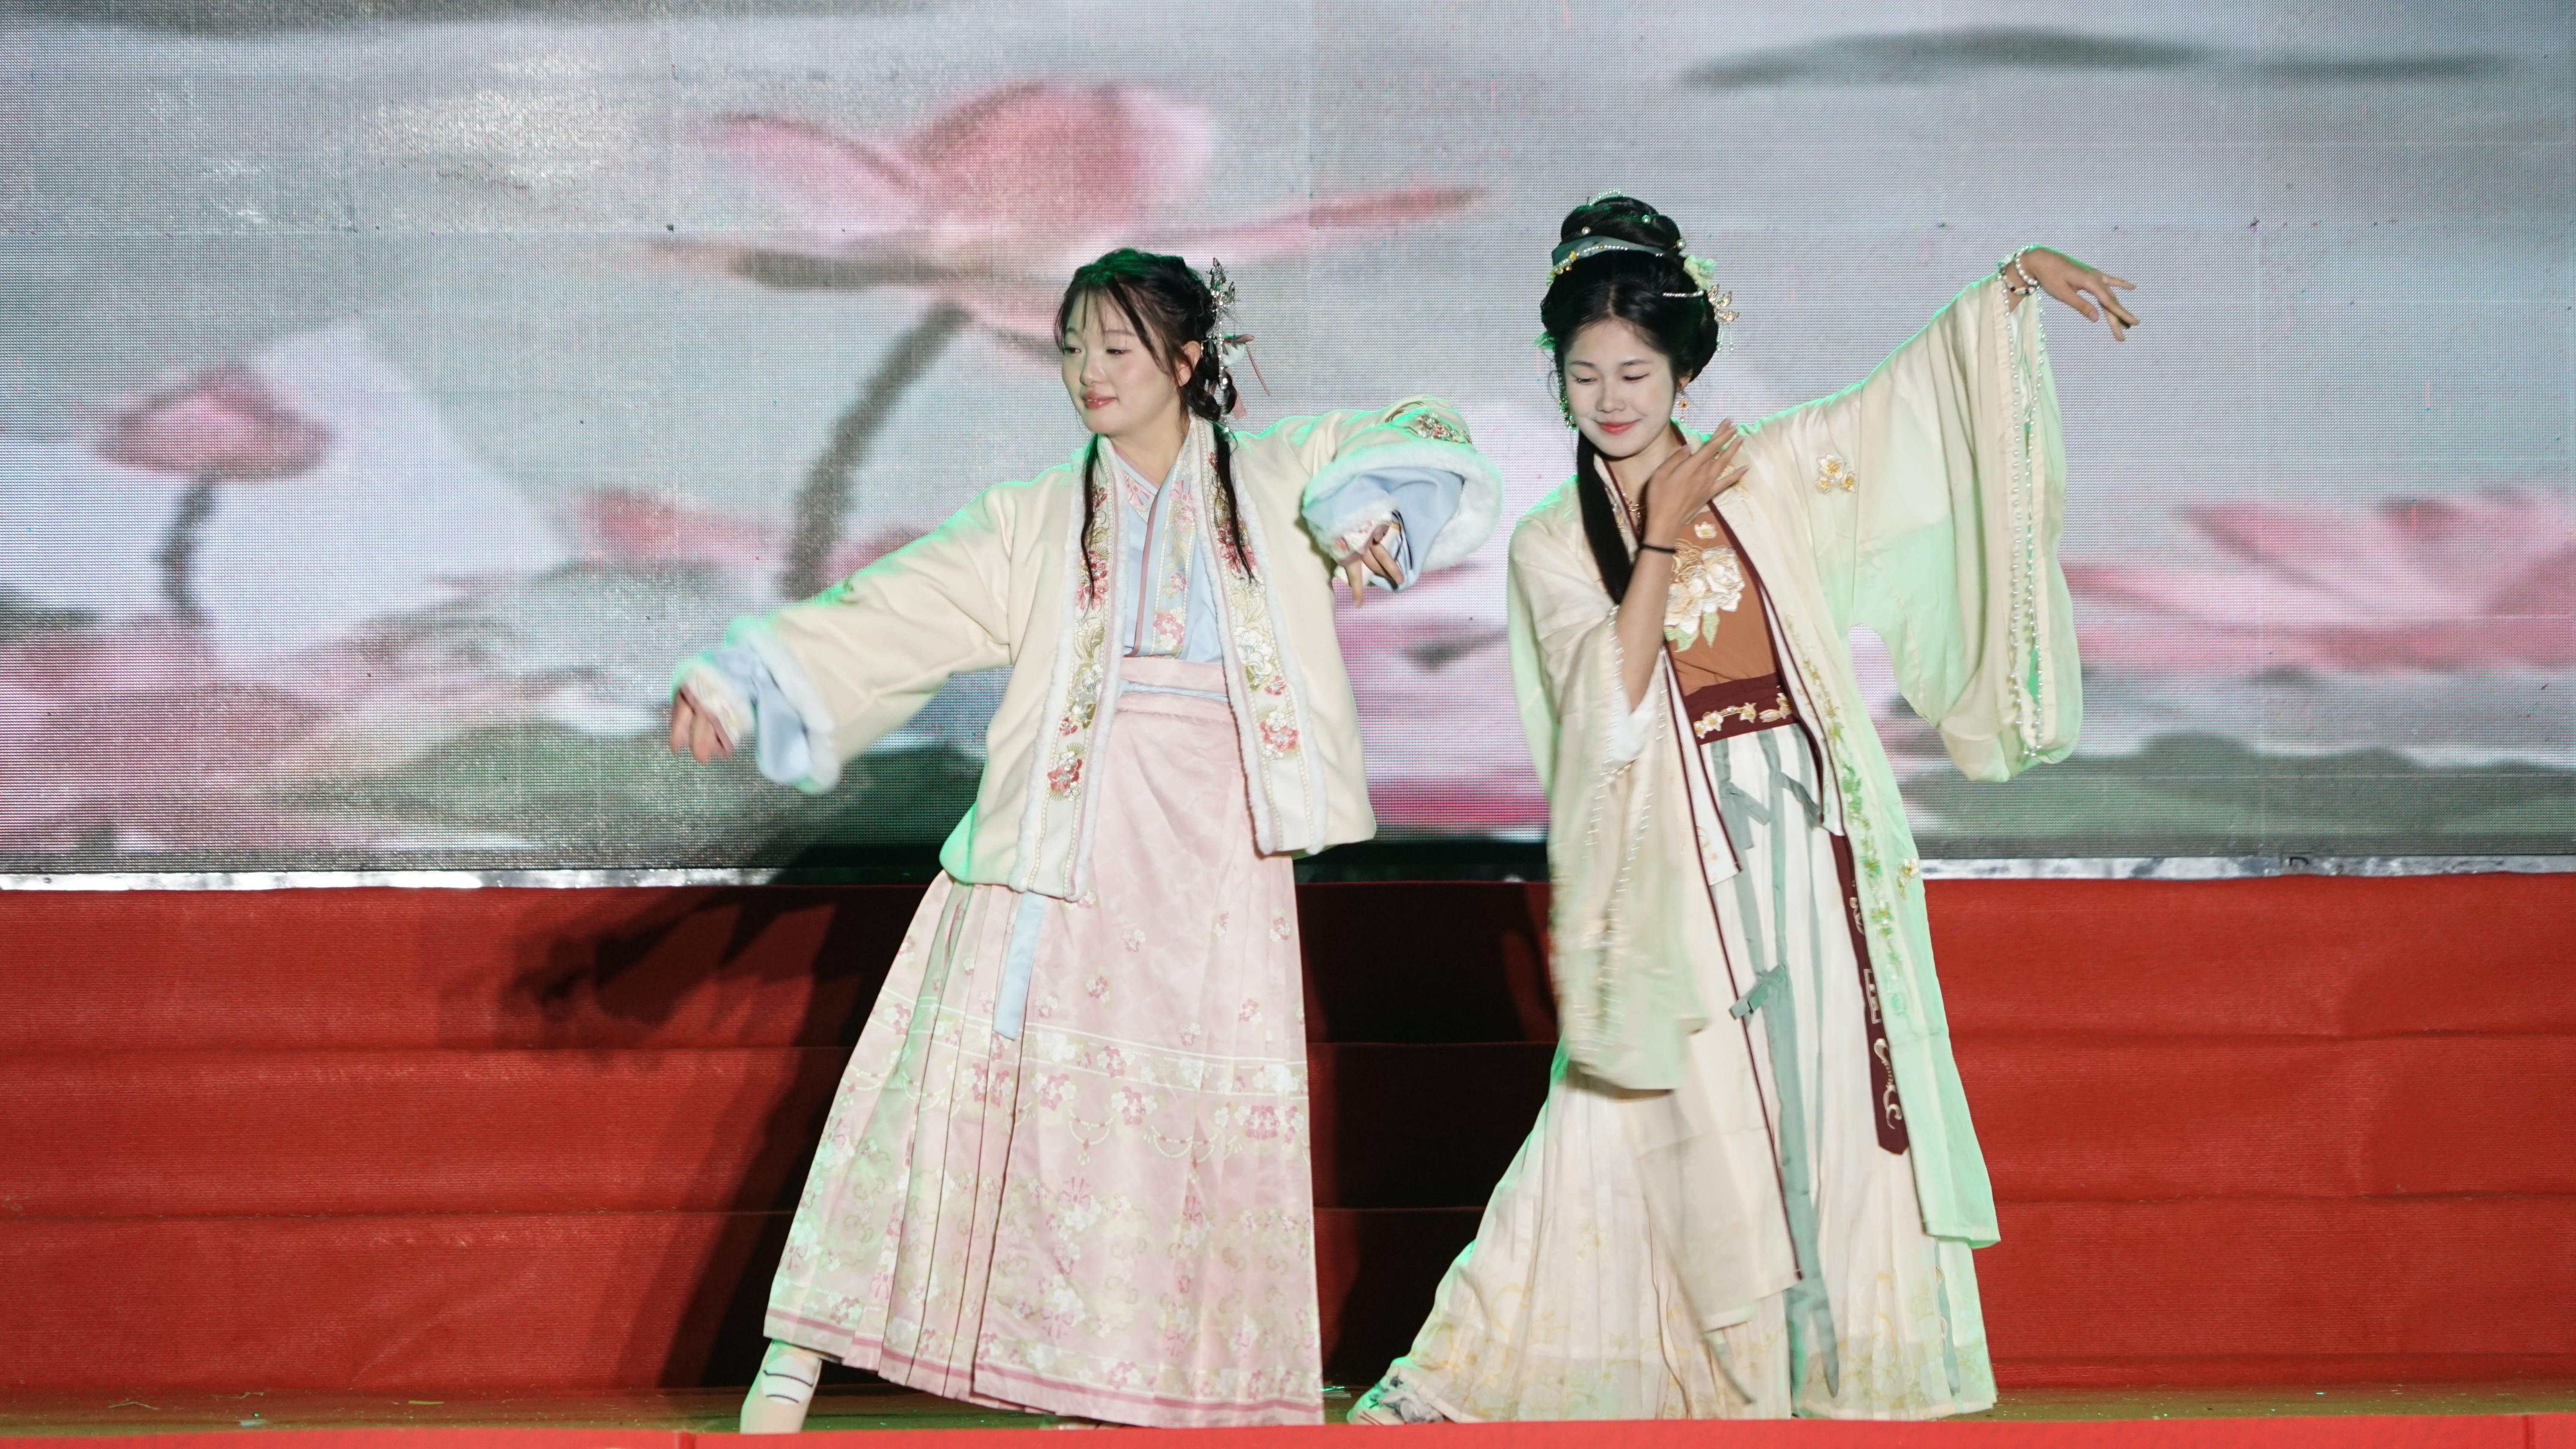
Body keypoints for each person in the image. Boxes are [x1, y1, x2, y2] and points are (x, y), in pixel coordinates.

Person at [666, 249, 1502, 1430]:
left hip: (1218, 854)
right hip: (1072, 836)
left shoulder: (1279, 478)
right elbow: (901, 605)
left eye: (1116, 347)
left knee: (1182, 1126)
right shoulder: (1037, 519)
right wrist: (745, 681)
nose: (1088, 372)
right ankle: (799, 1361)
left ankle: (1140, 1383)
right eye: (1072, 348)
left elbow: (1424, 431)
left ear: (1188, 358)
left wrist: (1370, 509)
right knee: (950, 1094)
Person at [1349, 195, 2136, 1423]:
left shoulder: (1764, 471)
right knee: (1625, 1107)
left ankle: (1824, 1367)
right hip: (1669, 850)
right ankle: (1482, 1367)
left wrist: (2008, 291)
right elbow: (1604, 698)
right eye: (1585, 375)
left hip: (1804, 824)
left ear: (1683, 370)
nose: (1611, 399)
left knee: (1826, 1093)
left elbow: (1902, 415)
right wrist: (1660, 538)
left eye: (1636, 373)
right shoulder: (1553, 542)